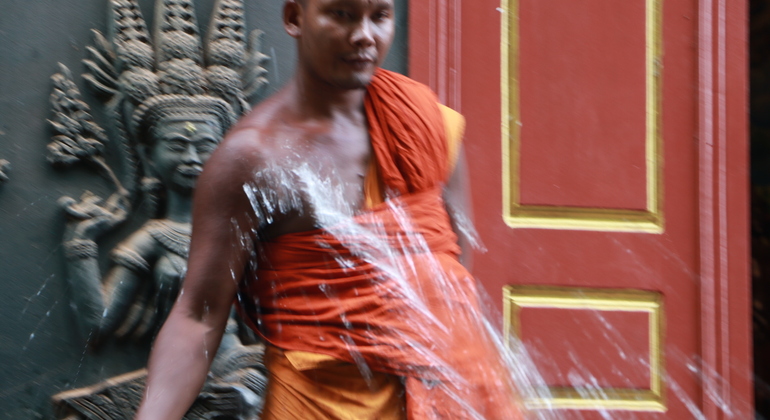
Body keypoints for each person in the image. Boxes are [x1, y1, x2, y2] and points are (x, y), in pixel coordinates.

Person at [136, 0, 523, 418]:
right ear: (294, 17)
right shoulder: (253, 159)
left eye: (379, 16)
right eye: (341, 14)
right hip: (323, 405)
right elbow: (198, 317)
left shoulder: (423, 125)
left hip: (452, 396)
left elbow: (451, 279)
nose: (364, 36)